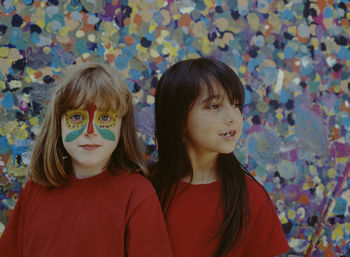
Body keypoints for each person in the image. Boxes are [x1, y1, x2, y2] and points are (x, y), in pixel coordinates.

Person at [0, 62, 173, 257]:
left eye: (106, 118)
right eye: (76, 117)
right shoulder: (35, 189)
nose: (90, 132)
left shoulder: (137, 194)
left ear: (122, 127)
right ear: (58, 125)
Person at [151, 57, 289, 257]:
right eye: (214, 106)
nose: (232, 116)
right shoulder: (147, 189)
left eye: (235, 104)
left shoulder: (251, 197)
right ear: (178, 118)